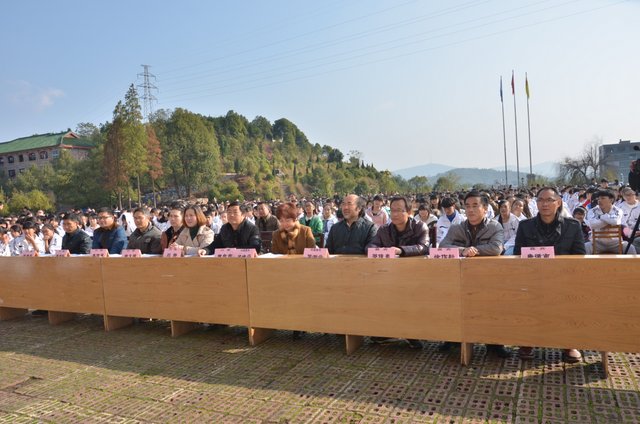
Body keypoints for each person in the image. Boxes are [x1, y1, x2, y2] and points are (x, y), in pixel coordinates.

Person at [514, 187, 585, 363]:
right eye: (540, 200)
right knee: (525, 298)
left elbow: (579, 256)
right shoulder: (525, 226)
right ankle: (528, 341)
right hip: (533, 278)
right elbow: (518, 255)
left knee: (571, 298)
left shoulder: (572, 226)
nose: (544, 204)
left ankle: (569, 343)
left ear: (558, 202)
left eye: (549, 200)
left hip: (564, 278)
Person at [439, 191, 508, 357]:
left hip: (488, 277)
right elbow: (443, 246)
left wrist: (474, 251)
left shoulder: (495, 227)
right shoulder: (457, 228)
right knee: (455, 305)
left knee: (490, 309)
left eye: (475, 206)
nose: (470, 210)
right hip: (461, 278)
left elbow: (496, 248)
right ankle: (453, 339)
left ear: (485, 208)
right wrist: (463, 250)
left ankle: (493, 343)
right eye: (468, 206)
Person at [366, 195, 429, 349]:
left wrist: (400, 250)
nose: (394, 214)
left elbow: (423, 247)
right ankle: (388, 331)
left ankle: (411, 333)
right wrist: (381, 251)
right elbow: (370, 246)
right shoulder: (384, 229)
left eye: (399, 210)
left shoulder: (420, 227)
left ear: (409, 212)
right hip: (389, 274)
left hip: (415, 274)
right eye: (392, 210)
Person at [585, 189, 635, 254]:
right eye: (598, 199)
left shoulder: (617, 210)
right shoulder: (592, 211)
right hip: (596, 243)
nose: (599, 201)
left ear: (611, 200)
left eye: (603, 198)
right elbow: (593, 225)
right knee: (585, 247)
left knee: (630, 247)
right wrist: (609, 220)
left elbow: (615, 221)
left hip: (616, 243)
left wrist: (601, 217)